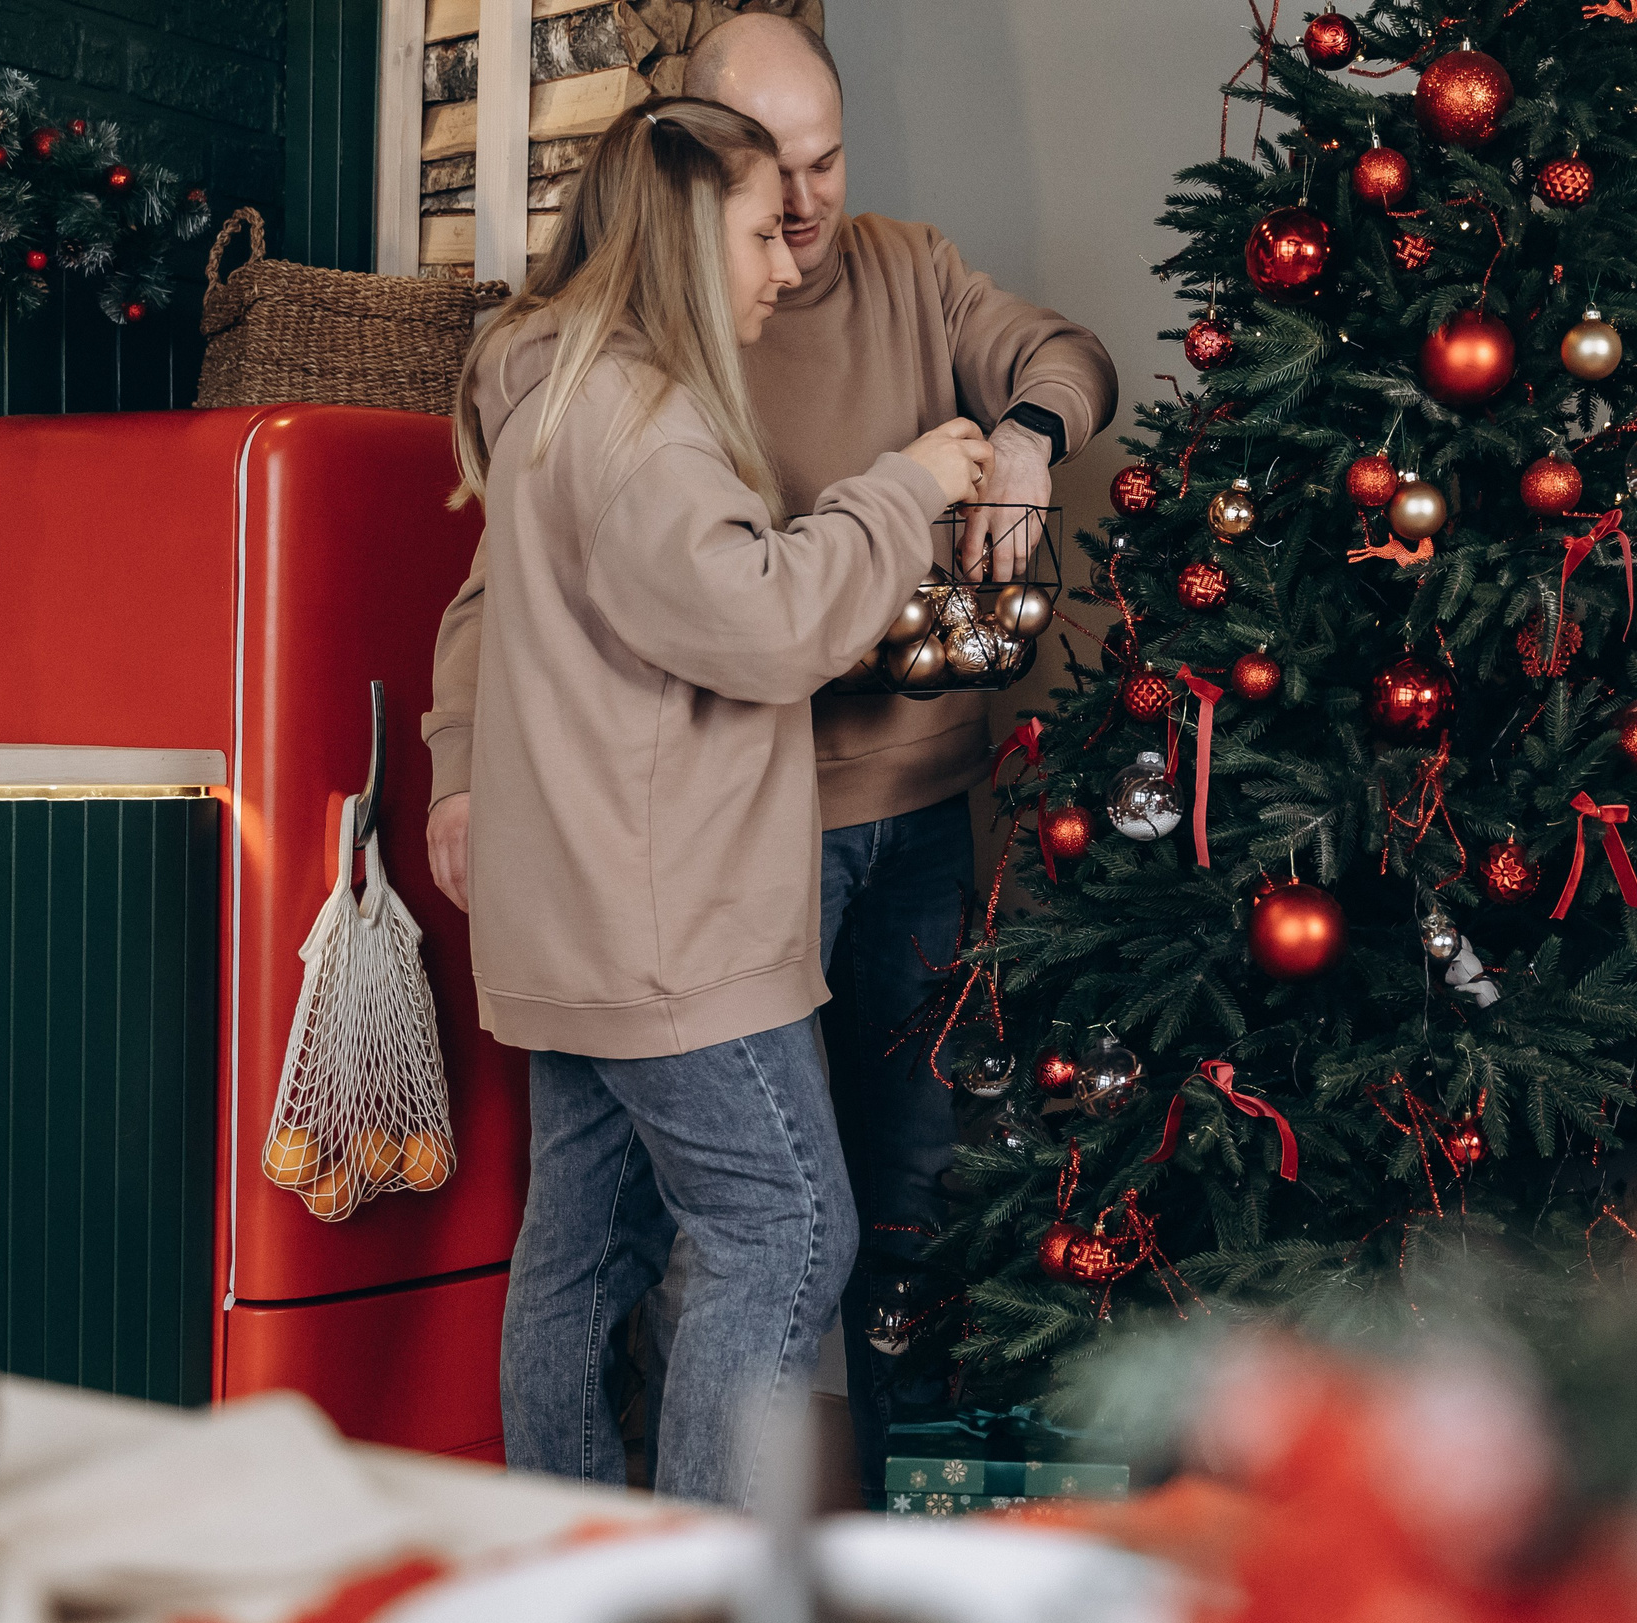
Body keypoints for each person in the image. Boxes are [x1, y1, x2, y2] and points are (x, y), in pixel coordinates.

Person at [425, 15, 1119, 1497]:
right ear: (695, 189)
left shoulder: (568, 373)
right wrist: (902, 486)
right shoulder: (644, 411)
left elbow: (1060, 355)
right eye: (767, 207)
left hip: (727, 851)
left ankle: (589, 1555)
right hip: (696, 867)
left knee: (601, 1231)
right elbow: (754, 622)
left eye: (823, 171)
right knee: (787, 1229)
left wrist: (1022, 441)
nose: (799, 241)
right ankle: (700, 1575)